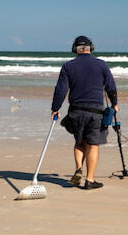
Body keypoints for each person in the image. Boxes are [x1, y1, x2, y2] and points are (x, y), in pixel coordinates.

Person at [51, 36, 119, 190]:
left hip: (76, 111)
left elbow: (60, 89)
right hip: (95, 111)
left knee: (80, 142)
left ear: (75, 49)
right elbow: (111, 87)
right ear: (91, 48)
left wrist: (55, 108)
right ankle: (90, 180)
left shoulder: (68, 66)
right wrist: (114, 104)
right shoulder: (101, 65)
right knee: (93, 145)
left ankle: (78, 169)